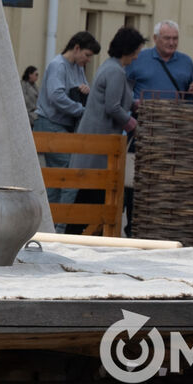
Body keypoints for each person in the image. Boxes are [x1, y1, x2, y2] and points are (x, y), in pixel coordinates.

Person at [65, 27, 145, 234]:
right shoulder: (116, 71)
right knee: (94, 194)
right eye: (137, 50)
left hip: (94, 141)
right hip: (100, 144)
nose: (138, 55)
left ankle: (81, 233)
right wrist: (132, 123)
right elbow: (113, 107)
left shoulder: (109, 67)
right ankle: (83, 235)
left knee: (90, 194)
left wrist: (133, 104)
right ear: (130, 50)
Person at [33, 30, 100, 216]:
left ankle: (54, 219)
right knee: (70, 173)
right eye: (87, 55)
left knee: (58, 177)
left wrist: (83, 90)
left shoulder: (77, 67)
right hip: (51, 124)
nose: (88, 60)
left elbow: (78, 89)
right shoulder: (58, 66)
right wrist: (81, 109)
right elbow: (56, 96)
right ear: (76, 48)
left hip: (64, 126)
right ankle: (61, 223)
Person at [126, 20, 193, 100]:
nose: (171, 43)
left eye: (175, 38)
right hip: (144, 112)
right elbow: (123, 90)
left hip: (177, 112)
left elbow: (191, 95)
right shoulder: (137, 58)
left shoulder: (187, 62)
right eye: (167, 38)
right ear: (155, 38)